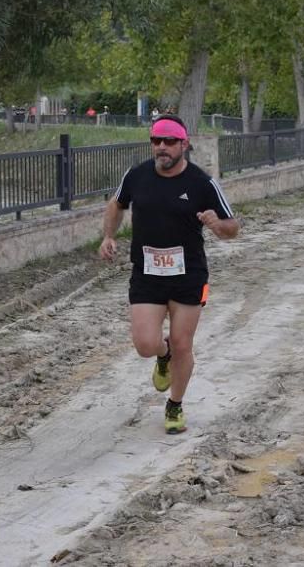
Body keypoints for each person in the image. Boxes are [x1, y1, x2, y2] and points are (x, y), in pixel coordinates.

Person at [99, 114, 240, 434]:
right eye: (156, 141)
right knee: (145, 344)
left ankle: (175, 405)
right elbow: (116, 205)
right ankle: (162, 357)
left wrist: (217, 226)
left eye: (169, 142)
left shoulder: (203, 184)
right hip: (147, 273)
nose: (161, 147)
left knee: (182, 343)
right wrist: (109, 236)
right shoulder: (137, 176)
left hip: (188, 275)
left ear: (184, 145)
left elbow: (233, 227)